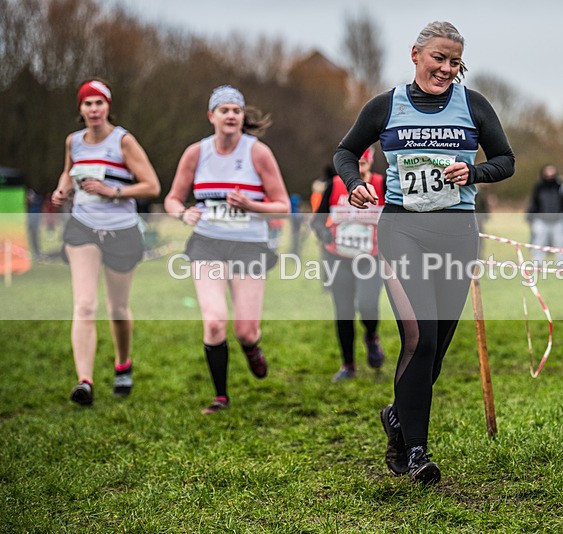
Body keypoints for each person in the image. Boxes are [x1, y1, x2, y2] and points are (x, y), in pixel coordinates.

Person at [333, 21, 514, 484]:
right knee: (421, 338)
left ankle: (397, 417)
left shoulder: (473, 105)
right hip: (403, 231)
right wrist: (355, 185)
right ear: (415, 54)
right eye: (439, 58)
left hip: (457, 234)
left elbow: (505, 160)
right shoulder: (384, 106)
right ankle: (416, 451)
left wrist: (472, 173)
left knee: (436, 351)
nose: (446, 69)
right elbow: (345, 152)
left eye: (455, 62)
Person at [164, 85, 290, 414]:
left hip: (249, 245)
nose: (231, 115)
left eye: (236, 110)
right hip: (207, 242)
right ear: (212, 116)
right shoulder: (196, 153)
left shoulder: (257, 152)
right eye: (224, 110)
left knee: (245, 330)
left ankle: (251, 348)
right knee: (215, 321)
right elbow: (172, 198)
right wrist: (182, 212)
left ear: (241, 117)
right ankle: (221, 396)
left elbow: (282, 206)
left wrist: (250, 204)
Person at [50, 78, 161, 406]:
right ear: (80, 108)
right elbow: (67, 173)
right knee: (84, 305)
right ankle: (84, 381)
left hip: (122, 232)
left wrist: (114, 191)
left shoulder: (123, 141)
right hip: (83, 228)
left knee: (117, 308)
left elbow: (152, 185)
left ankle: (123, 363)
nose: (94, 109)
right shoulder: (74, 142)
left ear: (108, 106)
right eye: (88, 103)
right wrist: (63, 190)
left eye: (99, 102)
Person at [311, 147, 387, 382]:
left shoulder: (381, 184)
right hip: (338, 257)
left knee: (367, 304)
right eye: (353, 165)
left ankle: (371, 336)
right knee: (343, 311)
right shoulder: (335, 185)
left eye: (363, 164)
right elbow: (317, 221)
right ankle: (348, 365)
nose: (358, 170)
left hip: (370, 257)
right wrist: (324, 234)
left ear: (370, 164)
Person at [525, 164, 563, 263]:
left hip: (558, 220)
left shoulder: (561, 186)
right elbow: (534, 202)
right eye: (547, 171)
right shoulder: (539, 187)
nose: (549, 174)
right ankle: (537, 263)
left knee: (560, 243)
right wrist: (530, 216)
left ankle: (562, 264)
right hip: (541, 220)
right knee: (539, 242)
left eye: (552, 171)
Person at [26, 187, 43, 261]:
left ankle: (37, 254)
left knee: (35, 239)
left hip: (35, 223)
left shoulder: (37, 201)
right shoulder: (28, 204)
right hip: (28, 221)